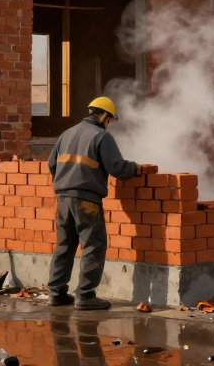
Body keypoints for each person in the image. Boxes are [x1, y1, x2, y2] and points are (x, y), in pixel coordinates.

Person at [46, 96, 140, 310]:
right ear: (104, 115)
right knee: (93, 245)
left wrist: (65, 183)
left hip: (62, 199)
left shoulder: (66, 134)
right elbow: (117, 168)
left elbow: (52, 164)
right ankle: (86, 296)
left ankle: (56, 293)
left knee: (64, 245)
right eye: (110, 119)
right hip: (86, 200)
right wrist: (135, 168)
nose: (109, 124)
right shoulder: (101, 136)